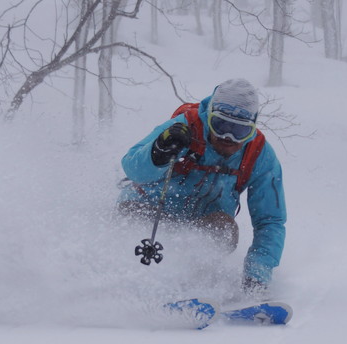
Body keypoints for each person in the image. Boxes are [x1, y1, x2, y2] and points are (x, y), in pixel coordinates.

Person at [117, 78, 286, 294]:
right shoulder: (185, 126)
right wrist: (158, 151)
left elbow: (270, 220)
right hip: (148, 208)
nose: (228, 137)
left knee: (223, 229)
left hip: (204, 222)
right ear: (210, 117)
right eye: (221, 125)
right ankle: (127, 283)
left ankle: (192, 288)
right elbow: (131, 168)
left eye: (240, 131)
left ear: (252, 128)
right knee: (133, 219)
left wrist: (257, 277)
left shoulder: (259, 154)